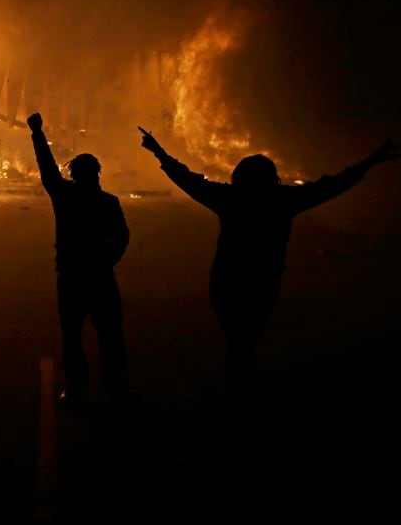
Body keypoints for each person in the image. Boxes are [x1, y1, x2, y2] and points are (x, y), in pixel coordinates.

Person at [139, 127, 397, 434]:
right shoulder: (283, 200)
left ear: (239, 177)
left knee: (237, 340)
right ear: (271, 178)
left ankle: (236, 399)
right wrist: (371, 161)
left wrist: (158, 152)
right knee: (247, 339)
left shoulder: (230, 198)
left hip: (227, 280)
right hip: (262, 281)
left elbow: (188, 179)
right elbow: (333, 185)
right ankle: (240, 401)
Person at [27, 112, 131, 408]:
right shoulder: (108, 202)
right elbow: (122, 236)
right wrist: (108, 260)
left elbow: (47, 168)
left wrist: (37, 132)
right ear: (98, 173)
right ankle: (116, 388)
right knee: (110, 335)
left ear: (74, 175)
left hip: (72, 277)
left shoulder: (65, 196)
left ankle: (76, 388)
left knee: (72, 336)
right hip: (100, 276)